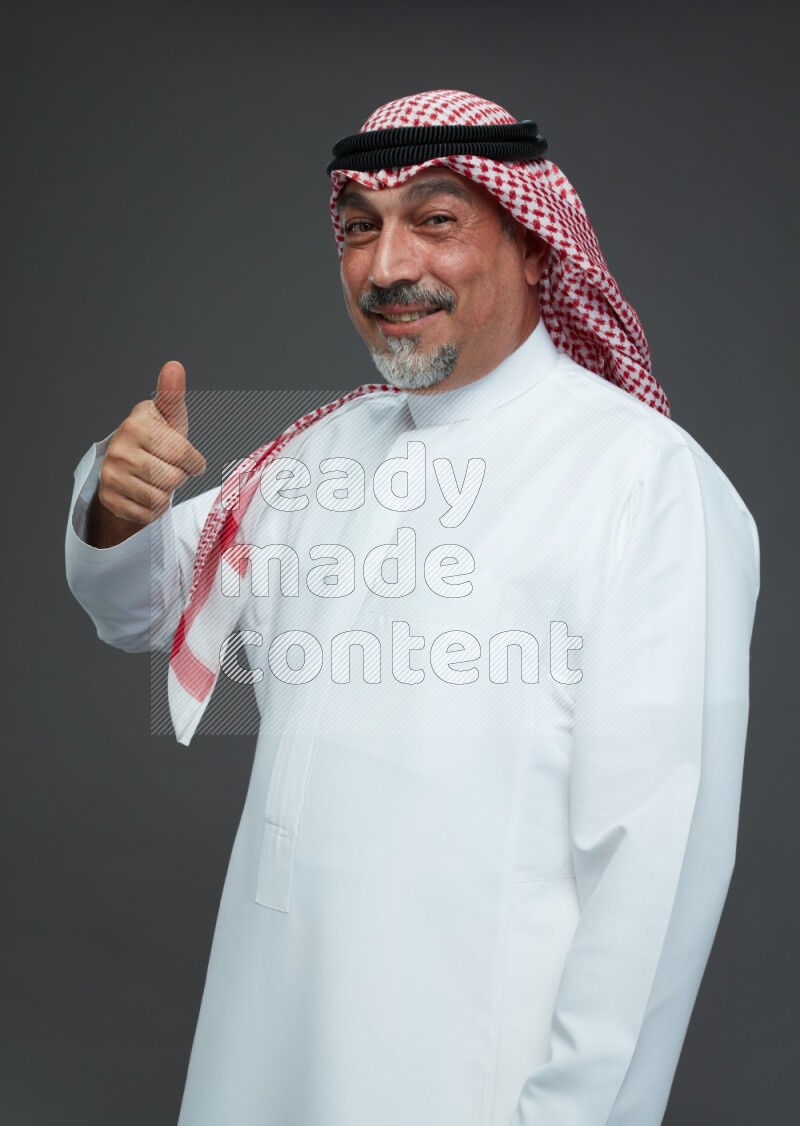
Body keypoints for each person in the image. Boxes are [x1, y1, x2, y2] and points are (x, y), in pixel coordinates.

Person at [65, 89, 760, 1126]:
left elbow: (650, 878)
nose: (387, 266)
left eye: (434, 220)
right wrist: (116, 506)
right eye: (358, 228)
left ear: (533, 244)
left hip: (472, 1072)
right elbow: (134, 605)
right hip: (260, 1043)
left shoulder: (643, 482)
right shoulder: (309, 459)